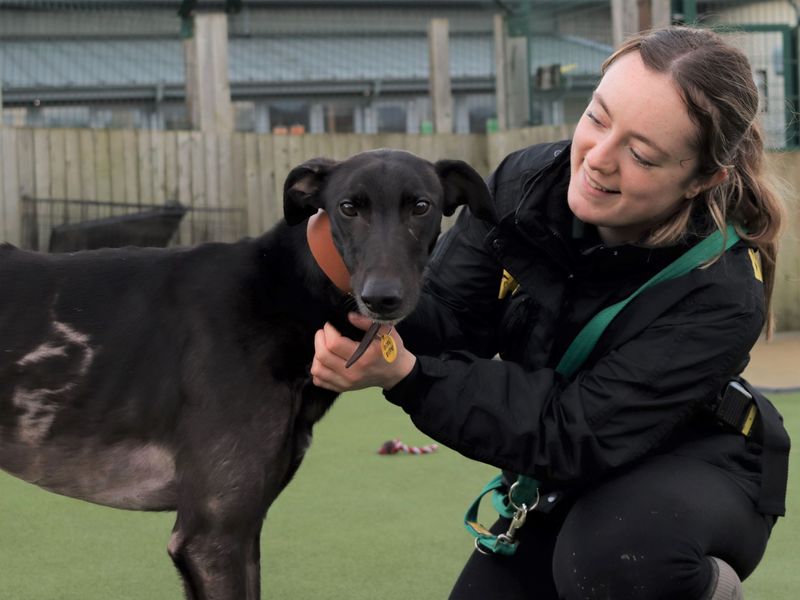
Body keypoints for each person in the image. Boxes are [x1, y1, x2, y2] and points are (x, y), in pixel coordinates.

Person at [311, 26, 789, 600]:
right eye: (597, 117)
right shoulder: (524, 184)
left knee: (614, 561)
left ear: (701, 179)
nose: (597, 159)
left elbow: (571, 431)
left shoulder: (722, 292)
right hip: (570, 476)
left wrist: (408, 377)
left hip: (696, 468)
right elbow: (450, 323)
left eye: (640, 153)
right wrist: (352, 286)